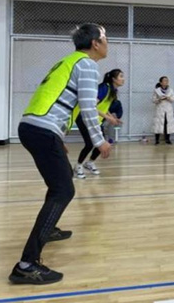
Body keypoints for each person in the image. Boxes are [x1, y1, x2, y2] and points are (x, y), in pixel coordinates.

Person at [11, 23, 111, 284]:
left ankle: (49, 228)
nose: (107, 44)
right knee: (64, 190)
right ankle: (26, 264)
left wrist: (59, 136)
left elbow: (62, 100)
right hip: (42, 130)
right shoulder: (87, 65)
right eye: (105, 39)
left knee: (62, 177)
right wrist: (99, 141)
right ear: (95, 44)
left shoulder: (68, 61)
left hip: (34, 126)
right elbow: (88, 108)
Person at [74, 69, 124, 179]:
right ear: (113, 79)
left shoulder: (113, 91)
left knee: (101, 142)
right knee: (89, 144)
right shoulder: (104, 88)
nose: (123, 79)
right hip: (84, 117)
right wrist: (107, 117)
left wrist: (112, 117)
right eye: (121, 76)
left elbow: (104, 107)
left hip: (96, 119)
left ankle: (90, 163)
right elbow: (91, 105)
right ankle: (78, 166)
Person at [152, 76, 174, 145]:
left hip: (168, 109)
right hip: (160, 109)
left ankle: (167, 139)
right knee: (158, 124)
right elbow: (153, 100)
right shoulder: (156, 90)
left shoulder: (170, 90)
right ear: (161, 82)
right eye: (164, 81)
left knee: (167, 123)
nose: (166, 82)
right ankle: (157, 140)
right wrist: (159, 99)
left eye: (167, 81)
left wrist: (168, 98)